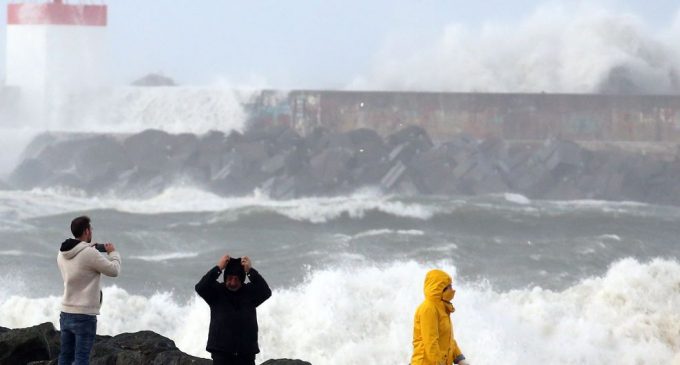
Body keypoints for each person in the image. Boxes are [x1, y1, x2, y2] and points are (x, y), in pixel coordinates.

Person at [57, 216, 121, 365]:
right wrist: (113, 253)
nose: (91, 231)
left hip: (66, 312)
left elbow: (79, 263)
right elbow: (114, 270)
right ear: (86, 231)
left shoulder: (61, 253)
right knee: (81, 359)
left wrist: (89, 249)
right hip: (84, 315)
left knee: (65, 358)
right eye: (91, 229)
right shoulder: (90, 253)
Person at [195, 254, 272, 365]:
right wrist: (218, 268)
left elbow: (266, 291)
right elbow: (200, 287)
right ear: (225, 277)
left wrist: (250, 271)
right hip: (221, 352)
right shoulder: (216, 292)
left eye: (236, 279)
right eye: (230, 278)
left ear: (242, 279)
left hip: (246, 352)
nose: (233, 283)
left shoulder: (250, 292)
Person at [411, 269, 470, 365]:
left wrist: (460, 359)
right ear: (439, 289)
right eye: (449, 287)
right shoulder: (428, 309)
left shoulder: (443, 308)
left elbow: (448, 340)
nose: (452, 290)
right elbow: (431, 343)